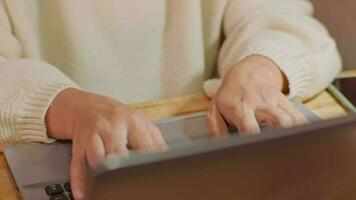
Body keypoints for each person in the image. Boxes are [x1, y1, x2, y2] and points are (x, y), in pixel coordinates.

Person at [0, 0, 341, 199]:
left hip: (210, 149)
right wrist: (68, 105)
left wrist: (261, 69)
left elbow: (283, 18)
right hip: (57, 148)